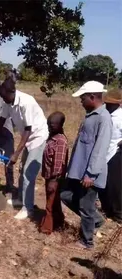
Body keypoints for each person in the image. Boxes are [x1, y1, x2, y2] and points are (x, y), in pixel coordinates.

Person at [61, 81, 112, 250]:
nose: (81, 101)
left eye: (83, 98)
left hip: (90, 174)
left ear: (92, 97)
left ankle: (87, 241)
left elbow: (100, 148)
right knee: (66, 195)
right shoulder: (91, 115)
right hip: (79, 171)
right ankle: (96, 220)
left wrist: (91, 174)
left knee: (86, 206)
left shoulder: (103, 118)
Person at [0, 77, 48, 220]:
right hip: (28, 138)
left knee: (28, 173)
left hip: (37, 137)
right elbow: (1, 121)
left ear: (11, 92)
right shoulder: (8, 102)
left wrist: (16, 153)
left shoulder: (26, 102)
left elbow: (28, 129)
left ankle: (28, 208)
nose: (1, 97)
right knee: (22, 169)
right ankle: (20, 199)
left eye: (3, 95)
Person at [40, 112, 69, 234]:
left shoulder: (60, 141)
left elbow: (59, 164)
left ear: (60, 125)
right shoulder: (52, 138)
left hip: (55, 178)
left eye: (52, 124)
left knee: (49, 205)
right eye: (48, 124)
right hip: (49, 176)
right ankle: (59, 223)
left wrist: (54, 181)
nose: (49, 127)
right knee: (54, 201)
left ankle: (46, 228)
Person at [98, 89, 122, 224]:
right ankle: (107, 210)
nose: (107, 106)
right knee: (105, 185)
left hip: (115, 154)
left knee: (115, 186)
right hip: (106, 154)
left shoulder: (119, 117)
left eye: (110, 104)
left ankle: (118, 214)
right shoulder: (108, 115)